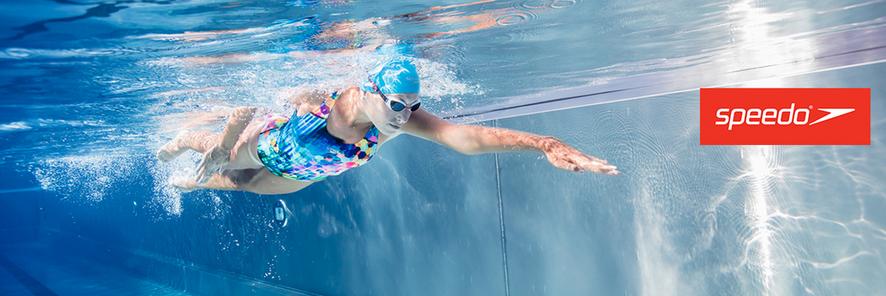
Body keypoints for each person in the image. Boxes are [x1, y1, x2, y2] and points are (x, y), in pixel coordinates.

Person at [156, 58, 618, 195]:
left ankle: (198, 186)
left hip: (303, 174)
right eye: (396, 104)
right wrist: (224, 137)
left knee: (238, 188)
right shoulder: (331, 100)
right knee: (225, 156)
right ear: (370, 91)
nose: (404, 115)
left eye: (412, 105)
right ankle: (184, 141)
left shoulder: (395, 120)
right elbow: (251, 105)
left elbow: (465, 139)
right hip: (272, 145)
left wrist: (544, 144)